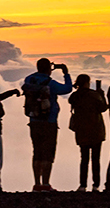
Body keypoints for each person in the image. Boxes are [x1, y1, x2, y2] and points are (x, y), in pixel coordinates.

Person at [20, 58, 74, 192]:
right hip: (49, 122)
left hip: (33, 121)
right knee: (47, 154)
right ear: (48, 69)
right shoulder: (51, 83)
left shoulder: (29, 80)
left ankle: (36, 184)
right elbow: (67, 89)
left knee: (37, 152)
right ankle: (45, 184)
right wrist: (66, 73)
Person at [68, 75, 107, 192]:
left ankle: (82, 185)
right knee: (96, 159)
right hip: (96, 130)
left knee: (84, 159)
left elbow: (71, 101)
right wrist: (102, 95)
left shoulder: (75, 96)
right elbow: (103, 108)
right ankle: (96, 185)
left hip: (81, 130)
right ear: (87, 82)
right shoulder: (94, 95)